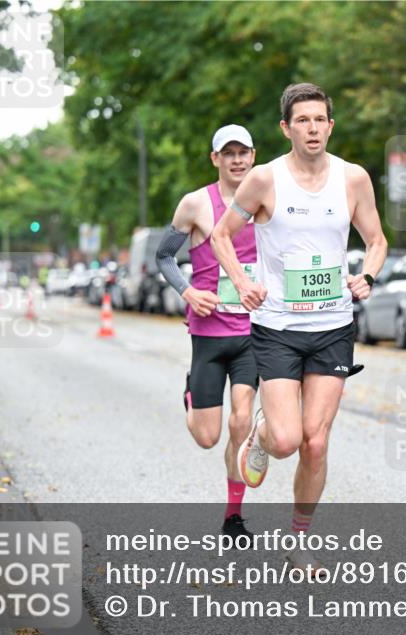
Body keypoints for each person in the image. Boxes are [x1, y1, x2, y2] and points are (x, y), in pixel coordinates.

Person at [212, 83, 387, 572]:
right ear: (286, 128)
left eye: (320, 120)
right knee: (287, 440)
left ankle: (299, 538)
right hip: (278, 327)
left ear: (331, 125)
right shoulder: (265, 180)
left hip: (333, 325)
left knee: (315, 441)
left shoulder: (352, 179)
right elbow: (222, 235)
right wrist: (244, 281)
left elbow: (376, 240)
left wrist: (366, 276)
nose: (312, 128)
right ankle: (263, 435)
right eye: (302, 121)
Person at [156, 124, 259, 542]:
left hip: (253, 332)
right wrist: (188, 290)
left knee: (241, 421)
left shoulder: (267, 201)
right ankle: (190, 394)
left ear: (253, 156)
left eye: (244, 152)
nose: (237, 160)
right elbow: (164, 256)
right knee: (207, 436)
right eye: (228, 153)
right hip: (209, 334)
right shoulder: (196, 204)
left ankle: (233, 517)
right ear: (215, 158)